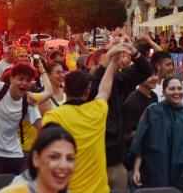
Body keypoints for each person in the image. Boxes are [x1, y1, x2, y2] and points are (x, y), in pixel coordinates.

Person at [42, 44, 129, 193]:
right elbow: (104, 89)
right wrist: (112, 62)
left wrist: (44, 76)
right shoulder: (97, 110)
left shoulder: (53, 116)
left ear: (65, 89)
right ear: (87, 92)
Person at [89, 41, 153, 192]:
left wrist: (134, 52)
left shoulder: (117, 81)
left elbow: (145, 71)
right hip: (94, 165)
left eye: (113, 61)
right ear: (92, 65)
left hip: (117, 162)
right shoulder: (84, 84)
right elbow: (98, 88)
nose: (112, 64)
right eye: (105, 62)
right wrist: (108, 62)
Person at [0, 63, 45, 175]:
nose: (24, 83)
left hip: (14, 154)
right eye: (20, 79)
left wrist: (36, 152)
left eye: (28, 80)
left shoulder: (28, 102)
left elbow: (41, 128)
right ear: (11, 79)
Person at [0, 124, 76, 193]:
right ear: (36, 158)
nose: (63, 165)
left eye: (70, 158)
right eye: (54, 157)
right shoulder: (17, 187)